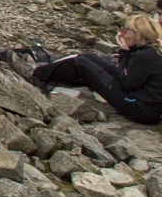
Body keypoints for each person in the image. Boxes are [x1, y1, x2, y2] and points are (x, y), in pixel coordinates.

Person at [27, 15, 162, 123]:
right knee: (88, 56)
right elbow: (124, 76)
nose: (123, 33)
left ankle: (35, 74)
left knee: (82, 63)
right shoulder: (147, 51)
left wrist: (124, 51)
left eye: (126, 30)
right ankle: (48, 63)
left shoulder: (144, 56)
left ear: (138, 36)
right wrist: (126, 52)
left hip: (139, 109)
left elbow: (125, 83)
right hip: (139, 103)